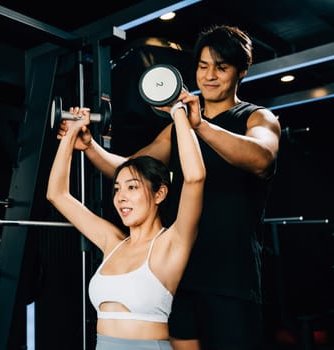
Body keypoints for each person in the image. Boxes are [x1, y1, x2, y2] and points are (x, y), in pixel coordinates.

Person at [57, 24, 282, 350]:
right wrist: (90, 146)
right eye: (203, 66)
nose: (209, 76)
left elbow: (262, 159)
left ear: (241, 71)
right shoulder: (178, 129)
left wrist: (200, 125)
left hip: (231, 277)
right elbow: (129, 168)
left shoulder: (256, 118)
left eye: (222, 67)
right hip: (178, 275)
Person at [47, 92, 206, 350]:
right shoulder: (113, 243)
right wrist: (71, 133)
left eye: (132, 188)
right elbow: (57, 195)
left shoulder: (171, 244)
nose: (121, 197)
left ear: (160, 194)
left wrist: (177, 109)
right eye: (117, 189)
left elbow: (195, 178)